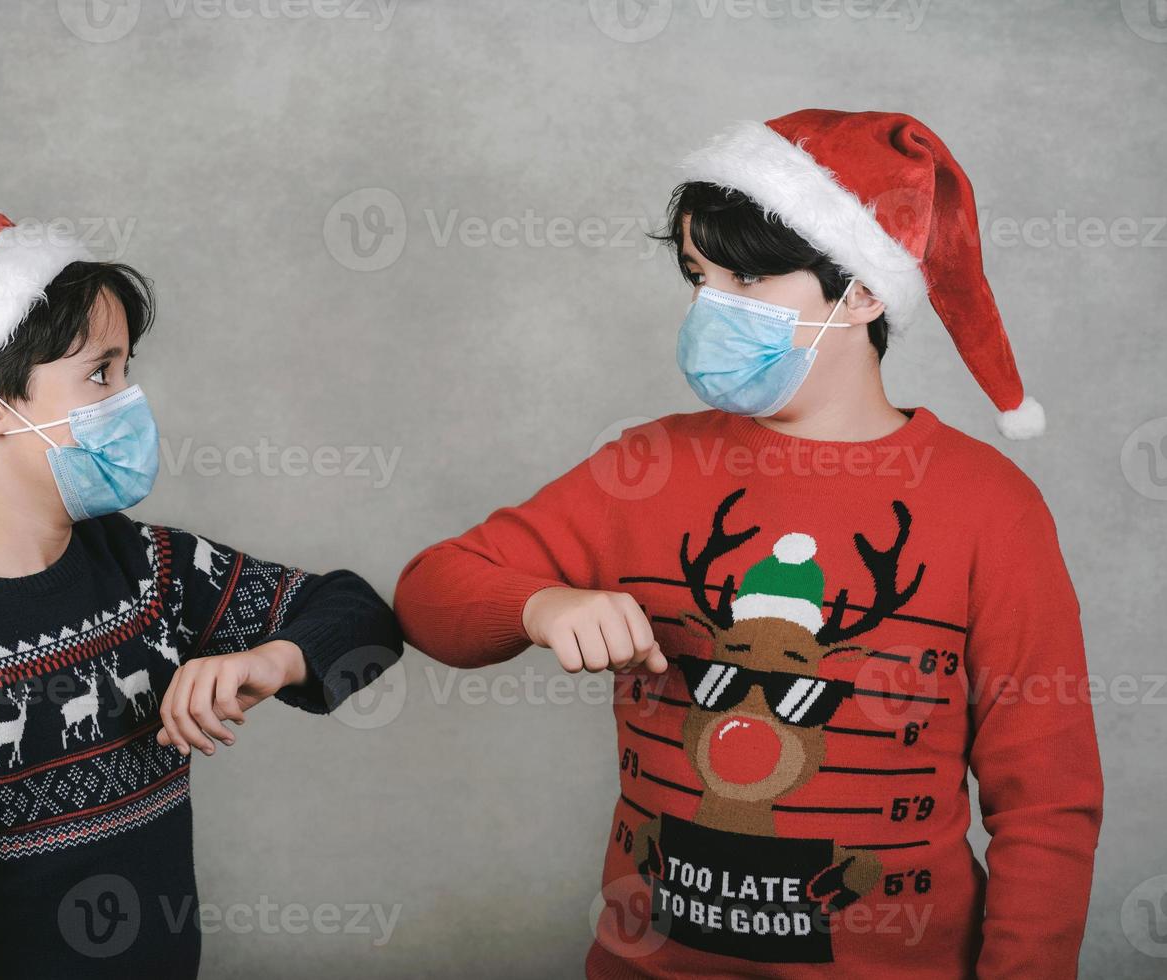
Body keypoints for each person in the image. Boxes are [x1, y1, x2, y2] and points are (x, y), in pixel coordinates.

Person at [394, 110, 1103, 979]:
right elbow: (429, 596)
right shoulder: (646, 465)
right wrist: (540, 604)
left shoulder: (992, 507)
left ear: (866, 292)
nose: (713, 309)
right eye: (699, 277)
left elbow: (1048, 803)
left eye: (749, 277)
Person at [0, 211, 403, 979]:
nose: (127, 401)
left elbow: (365, 620)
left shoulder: (148, 568)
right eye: (100, 374)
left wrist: (272, 662)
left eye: (126, 370)